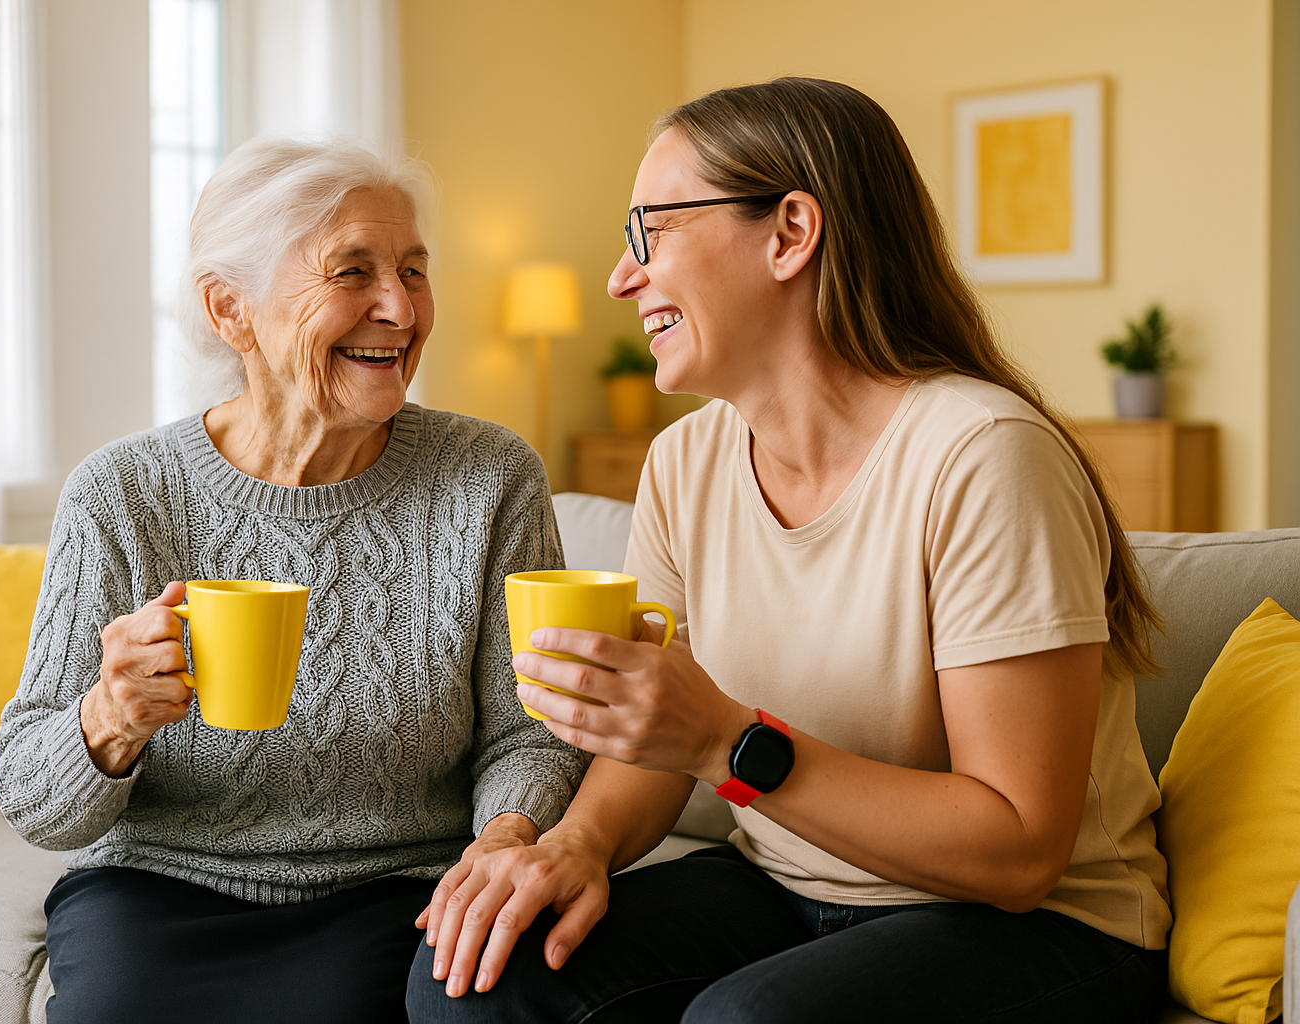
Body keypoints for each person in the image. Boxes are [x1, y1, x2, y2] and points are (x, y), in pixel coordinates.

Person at [406, 77, 1171, 1024]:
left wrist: (727, 742)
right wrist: (578, 846)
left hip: (1044, 926)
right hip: (785, 885)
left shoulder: (983, 456)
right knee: (477, 978)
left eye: (654, 230)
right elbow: (657, 739)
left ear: (791, 233)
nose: (621, 275)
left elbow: (1017, 851)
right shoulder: (686, 461)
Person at [0, 137, 588, 1024]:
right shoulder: (123, 492)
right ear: (232, 311)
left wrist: (502, 841)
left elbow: (533, 734)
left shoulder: (489, 477)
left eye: (414, 271)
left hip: (401, 890)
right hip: (160, 891)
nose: (399, 308)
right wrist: (109, 718)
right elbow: (34, 802)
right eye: (353, 272)